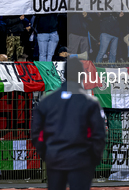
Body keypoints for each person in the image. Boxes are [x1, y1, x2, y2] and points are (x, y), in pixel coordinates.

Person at [31, 58, 106, 190]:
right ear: (82, 75)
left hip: (54, 158)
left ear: (64, 75)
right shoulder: (90, 103)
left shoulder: (47, 101)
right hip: (81, 159)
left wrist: (46, 154)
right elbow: (99, 135)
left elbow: (37, 133)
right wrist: (93, 159)